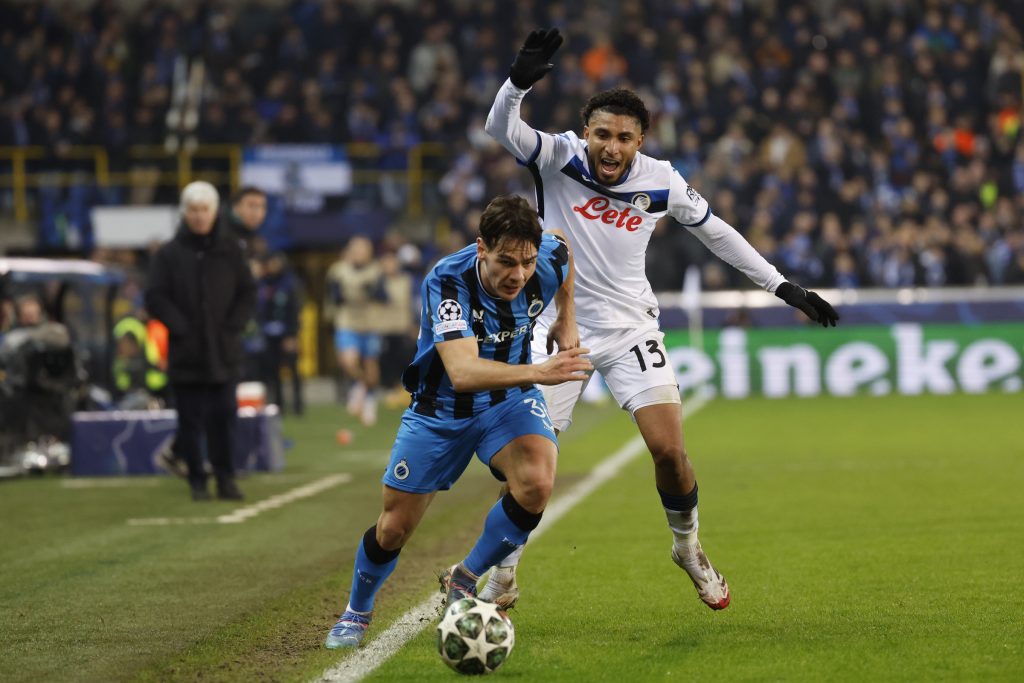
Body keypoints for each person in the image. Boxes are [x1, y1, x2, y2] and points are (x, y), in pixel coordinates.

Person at [480, 28, 839, 611]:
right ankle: (505, 574)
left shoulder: (661, 179)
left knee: (669, 451)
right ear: (585, 133)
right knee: (530, 465)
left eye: (623, 137)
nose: (611, 148)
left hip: (631, 330)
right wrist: (517, 84)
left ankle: (688, 547)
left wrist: (782, 285)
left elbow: (717, 232)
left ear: (640, 140)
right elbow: (499, 127)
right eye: (601, 135)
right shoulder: (556, 156)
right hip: (555, 329)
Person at [323, 195, 591, 648]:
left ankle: (464, 579)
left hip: (508, 401)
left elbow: (563, 248)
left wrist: (568, 318)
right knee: (393, 528)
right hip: (440, 410)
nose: (518, 275)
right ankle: (357, 611)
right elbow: (462, 374)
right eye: (506, 261)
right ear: (481, 247)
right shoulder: (448, 282)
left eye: (526, 262)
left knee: (537, 482)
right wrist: (540, 371)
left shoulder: (545, 256)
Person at [145, 181, 256, 502]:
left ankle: (226, 479)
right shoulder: (168, 254)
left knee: (225, 419)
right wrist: (180, 328)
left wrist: (233, 325)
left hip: (225, 352)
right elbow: (154, 297)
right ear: (184, 213)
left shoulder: (231, 250)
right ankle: (196, 481)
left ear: (214, 212)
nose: (198, 216)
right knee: (190, 422)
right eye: (193, 210)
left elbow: (247, 292)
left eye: (204, 209)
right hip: (187, 354)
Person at [324, 236, 386, 426]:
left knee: (370, 366)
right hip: (348, 321)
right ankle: (359, 387)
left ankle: (369, 400)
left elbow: (384, 297)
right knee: (349, 361)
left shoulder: (375, 271)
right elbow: (333, 296)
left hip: (369, 322)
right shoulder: (339, 271)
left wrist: (372, 291)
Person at [256, 252, 304, 416]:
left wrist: (292, 334)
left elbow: (295, 310)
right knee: (273, 371)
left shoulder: (290, 283)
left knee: (293, 370)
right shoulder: (263, 283)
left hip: (287, 333)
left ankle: (298, 405)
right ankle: (278, 404)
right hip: (268, 334)